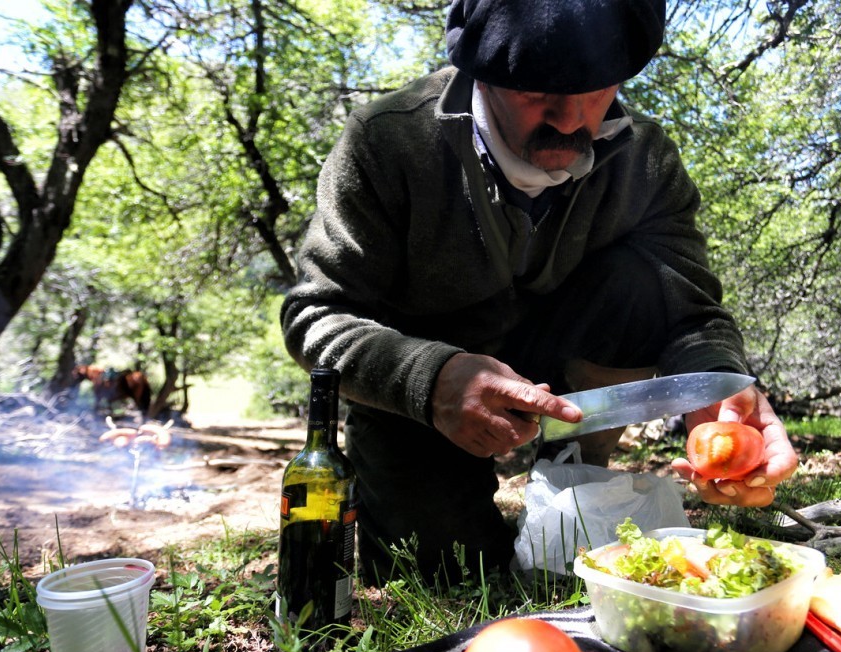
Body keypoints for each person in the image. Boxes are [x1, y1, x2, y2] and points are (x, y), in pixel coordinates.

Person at [281, 0, 799, 585]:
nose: (572, 118)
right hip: (420, 402)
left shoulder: (645, 160)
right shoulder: (389, 143)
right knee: (442, 571)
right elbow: (315, 313)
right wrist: (430, 380)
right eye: (536, 90)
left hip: (565, 371)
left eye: (598, 87)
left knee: (642, 280)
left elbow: (691, 311)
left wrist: (718, 387)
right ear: (483, 72)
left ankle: (571, 475)